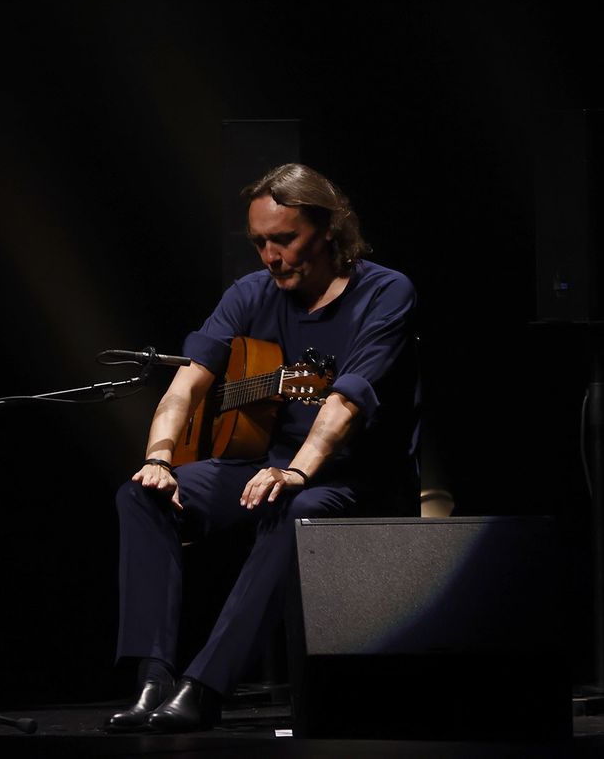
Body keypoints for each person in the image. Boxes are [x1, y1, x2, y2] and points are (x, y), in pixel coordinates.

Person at [108, 163, 422, 734]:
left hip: (355, 477)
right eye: (260, 243)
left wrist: (297, 473)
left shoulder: (386, 291)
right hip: (261, 464)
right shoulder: (250, 294)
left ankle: (203, 687)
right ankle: (152, 677)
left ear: (328, 228)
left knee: (293, 508)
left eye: (285, 239)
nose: (271, 256)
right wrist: (158, 457)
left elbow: (345, 402)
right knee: (140, 495)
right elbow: (187, 384)